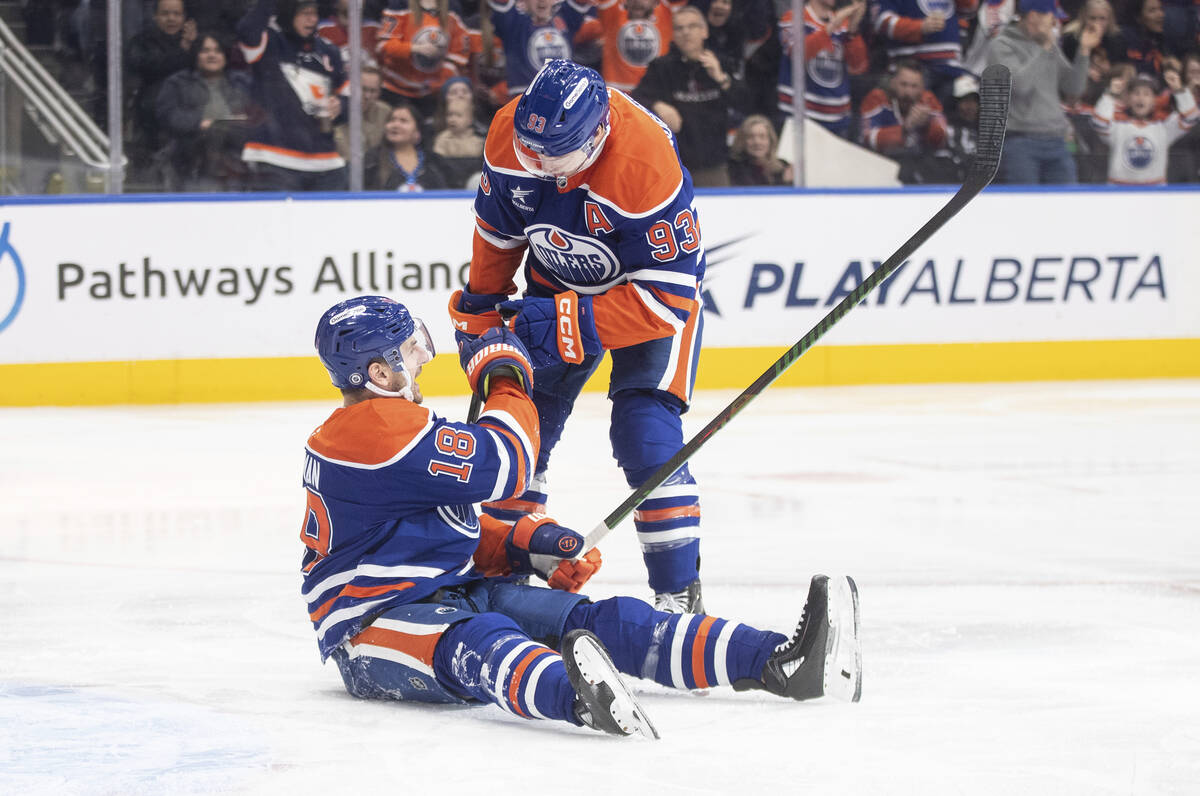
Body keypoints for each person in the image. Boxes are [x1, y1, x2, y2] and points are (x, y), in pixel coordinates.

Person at [302, 294, 863, 736]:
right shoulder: (374, 433)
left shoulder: (385, 431)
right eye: (408, 351)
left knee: (602, 620)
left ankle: (777, 663)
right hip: (372, 627)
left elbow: (433, 526)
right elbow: (509, 460)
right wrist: (505, 375)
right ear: (378, 373)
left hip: (448, 589)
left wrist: (532, 542)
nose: (421, 359)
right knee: (484, 638)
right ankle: (578, 699)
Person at [449, 60, 709, 612]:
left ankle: (678, 596)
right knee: (517, 427)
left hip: (641, 298)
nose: (537, 166)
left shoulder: (644, 161)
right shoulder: (510, 131)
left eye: (555, 154)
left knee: (647, 437)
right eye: (529, 151)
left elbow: (669, 300)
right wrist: (482, 308)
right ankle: (506, 570)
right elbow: (497, 230)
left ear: (597, 136)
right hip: (553, 278)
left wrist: (567, 324)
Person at [237, 0, 349, 191]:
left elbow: (349, 100)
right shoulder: (270, 43)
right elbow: (246, 29)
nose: (311, 19)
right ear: (289, 14)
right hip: (273, 156)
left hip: (324, 161)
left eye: (314, 14)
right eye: (304, 13)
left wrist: (340, 106)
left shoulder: (329, 51)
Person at [987, 0, 1100, 184]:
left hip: (1057, 140)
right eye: (1051, 16)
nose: (1055, 23)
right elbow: (1020, 86)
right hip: (1021, 142)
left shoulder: (1049, 46)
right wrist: (1043, 49)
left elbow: (1073, 88)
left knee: (1067, 203)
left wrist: (1084, 51)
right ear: (1033, 16)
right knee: (1025, 206)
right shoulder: (1002, 46)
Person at [632, 5, 744, 186]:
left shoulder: (722, 62)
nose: (686, 32)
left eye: (692, 26)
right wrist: (657, 105)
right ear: (673, 34)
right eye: (679, 28)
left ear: (704, 31)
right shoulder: (661, 67)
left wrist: (721, 78)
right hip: (674, 166)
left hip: (714, 166)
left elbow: (745, 102)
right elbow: (635, 100)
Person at [154, 32, 255, 191]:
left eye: (217, 51)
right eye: (205, 51)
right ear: (196, 55)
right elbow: (167, 115)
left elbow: (258, 117)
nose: (212, 55)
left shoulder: (240, 82)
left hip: (236, 165)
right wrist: (200, 123)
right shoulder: (178, 83)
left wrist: (242, 122)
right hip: (191, 164)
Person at [126, 0, 198, 182]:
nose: (171, 19)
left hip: (187, 121)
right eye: (165, 14)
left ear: (185, 18)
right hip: (150, 121)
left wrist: (192, 47)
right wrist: (184, 51)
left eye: (176, 14)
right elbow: (149, 66)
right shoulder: (142, 41)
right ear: (155, 16)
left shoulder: (197, 44)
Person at [776, 0, 868, 138]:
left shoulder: (844, 25)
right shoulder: (793, 17)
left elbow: (858, 67)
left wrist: (853, 29)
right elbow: (798, 53)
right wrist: (831, 26)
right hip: (799, 116)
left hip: (837, 119)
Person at [1092, 71, 1198, 184]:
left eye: (1146, 94)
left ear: (1153, 101)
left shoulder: (1164, 129)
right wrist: (1110, 94)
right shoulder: (1117, 128)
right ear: (1128, 99)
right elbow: (1099, 123)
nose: (1141, 98)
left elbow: (1191, 117)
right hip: (1120, 194)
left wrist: (1179, 90)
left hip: (1155, 196)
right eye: (1136, 93)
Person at [859, 59, 953, 183]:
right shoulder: (877, 98)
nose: (908, 92)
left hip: (922, 167)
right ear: (893, 83)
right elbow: (867, 139)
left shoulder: (929, 101)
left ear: (922, 88)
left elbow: (943, 140)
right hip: (884, 166)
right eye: (903, 85)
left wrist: (927, 126)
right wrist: (905, 129)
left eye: (914, 86)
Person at [375, 0, 474, 117]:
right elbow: (383, 46)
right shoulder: (400, 4)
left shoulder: (452, 8)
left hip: (430, 96)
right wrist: (413, 48)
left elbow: (459, 56)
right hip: (394, 90)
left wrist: (438, 82)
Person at [870, 0, 979, 105]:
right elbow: (881, 22)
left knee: (981, 95)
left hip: (951, 68)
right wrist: (920, 27)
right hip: (911, 67)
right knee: (923, 111)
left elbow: (969, 10)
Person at [487, 0, 602, 97]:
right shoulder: (514, 22)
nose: (542, 1)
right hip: (524, 98)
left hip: (561, 97)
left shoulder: (565, 18)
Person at [365, 101, 456, 190]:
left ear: (417, 133)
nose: (395, 125)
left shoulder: (434, 162)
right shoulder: (372, 160)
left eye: (403, 121)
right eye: (392, 120)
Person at [333, 64, 392, 161]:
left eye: (373, 91)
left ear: (380, 92)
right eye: (363, 89)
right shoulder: (335, 111)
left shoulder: (386, 112)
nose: (367, 96)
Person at [433, 96, 486, 186]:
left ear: (470, 120)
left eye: (458, 115)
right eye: (449, 115)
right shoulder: (441, 139)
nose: (453, 119)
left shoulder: (478, 141)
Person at [727, 113, 792, 185]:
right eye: (750, 137)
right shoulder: (734, 168)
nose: (757, 142)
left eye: (762, 137)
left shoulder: (782, 166)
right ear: (742, 140)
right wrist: (783, 182)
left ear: (770, 140)